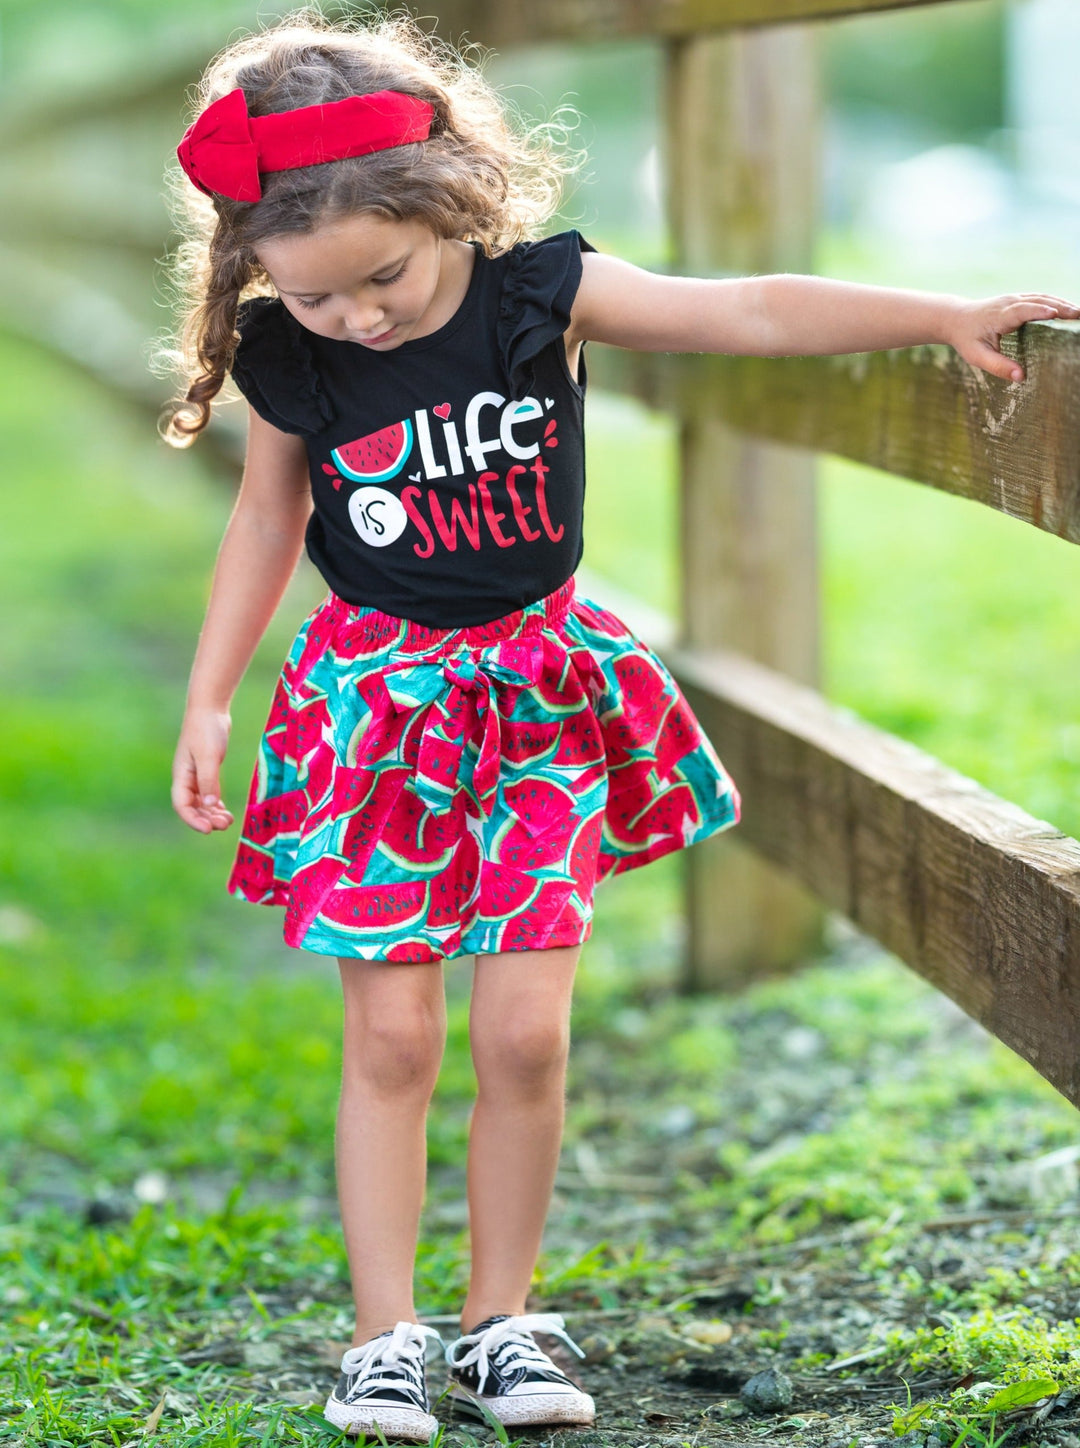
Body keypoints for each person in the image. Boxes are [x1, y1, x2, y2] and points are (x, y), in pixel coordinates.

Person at [158, 7, 1077, 1442]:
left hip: (535, 702)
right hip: (372, 712)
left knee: (526, 1036)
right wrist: (213, 694)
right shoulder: (300, 358)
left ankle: (505, 1320)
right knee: (394, 1036)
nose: (363, 319)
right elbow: (267, 517)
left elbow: (753, 310)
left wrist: (937, 313)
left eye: (382, 280)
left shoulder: (545, 293)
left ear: (447, 195)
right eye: (321, 299)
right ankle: (382, 1336)